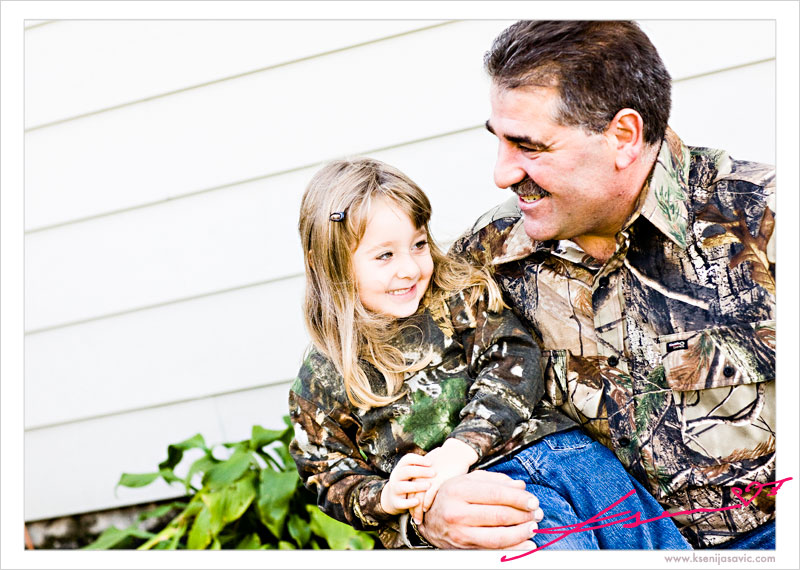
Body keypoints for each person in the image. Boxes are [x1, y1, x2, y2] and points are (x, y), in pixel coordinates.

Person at [413, 20, 776, 551]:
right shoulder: (486, 260)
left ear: (623, 137)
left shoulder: (767, 221)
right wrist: (427, 514)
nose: (502, 174)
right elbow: (378, 410)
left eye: (529, 146)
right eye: (500, 141)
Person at [288, 157, 691, 551]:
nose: (410, 268)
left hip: (561, 452)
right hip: (483, 494)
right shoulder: (323, 378)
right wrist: (385, 497)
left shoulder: (458, 296)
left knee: (651, 546)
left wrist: (462, 446)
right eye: (385, 255)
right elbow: (326, 472)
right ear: (329, 261)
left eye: (418, 244)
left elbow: (513, 359)